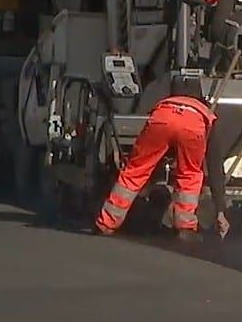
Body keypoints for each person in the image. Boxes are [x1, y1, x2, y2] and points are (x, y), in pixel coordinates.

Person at [95, 74, 230, 240]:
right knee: (190, 174)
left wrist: (149, 183)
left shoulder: (166, 104)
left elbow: (155, 155)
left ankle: (106, 223)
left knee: (136, 170)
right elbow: (215, 166)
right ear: (201, 99)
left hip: (161, 119)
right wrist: (221, 210)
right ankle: (186, 227)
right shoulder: (205, 114)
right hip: (192, 126)